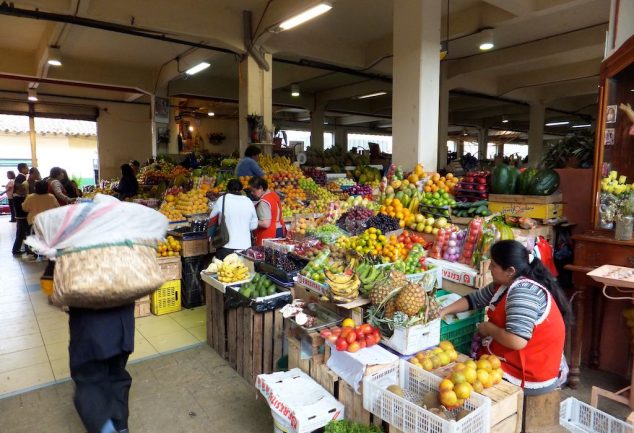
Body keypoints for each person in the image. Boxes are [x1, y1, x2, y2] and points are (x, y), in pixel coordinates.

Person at [440, 240, 573, 396]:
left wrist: (488, 328)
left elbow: (517, 341)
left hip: (530, 374)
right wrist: (444, 311)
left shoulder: (523, 292)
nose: (489, 268)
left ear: (510, 270)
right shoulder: (505, 283)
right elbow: (475, 299)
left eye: (494, 265)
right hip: (515, 359)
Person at [69, 304, 134, 433]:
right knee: (117, 376)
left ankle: (107, 429)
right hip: (122, 323)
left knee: (89, 381)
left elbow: (53, 286)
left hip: (90, 326)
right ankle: (121, 426)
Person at [208, 179, 258, 260]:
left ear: (227, 189)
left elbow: (212, 219)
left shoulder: (222, 200)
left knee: (224, 271)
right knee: (243, 271)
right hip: (244, 246)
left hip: (225, 244)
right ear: (242, 190)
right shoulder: (248, 201)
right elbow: (254, 225)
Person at [248, 176, 286, 246]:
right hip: (279, 229)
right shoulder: (274, 195)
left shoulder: (263, 202)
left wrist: (250, 220)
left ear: (261, 188)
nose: (252, 193)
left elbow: (265, 223)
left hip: (270, 234)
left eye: (253, 191)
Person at [11, 182, 29, 255]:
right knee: (22, 234)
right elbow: (23, 207)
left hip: (22, 217)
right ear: (16, 191)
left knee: (21, 234)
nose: (24, 191)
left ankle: (17, 249)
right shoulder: (17, 198)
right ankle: (16, 250)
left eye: (24, 190)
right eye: (22, 190)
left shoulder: (19, 197)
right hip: (21, 217)